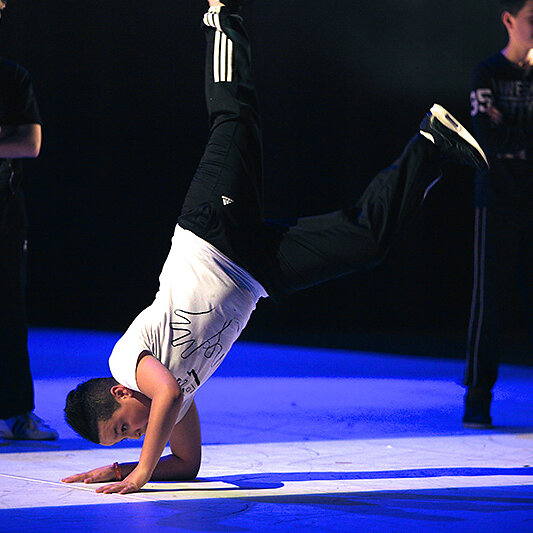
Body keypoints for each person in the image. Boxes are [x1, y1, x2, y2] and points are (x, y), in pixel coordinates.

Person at [62, 0, 488, 494]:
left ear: (120, 393)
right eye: (124, 440)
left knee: (235, 121)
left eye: (122, 428)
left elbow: (168, 394)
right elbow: (187, 464)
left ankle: (220, 17)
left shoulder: (126, 363)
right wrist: (122, 469)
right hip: (254, 272)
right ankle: (431, 144)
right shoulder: (171, 398)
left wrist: (139, 468)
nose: (134, 436)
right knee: (367, 241)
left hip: (212, 233)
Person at [464, 0, 533, 428]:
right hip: (497, 200)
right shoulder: (487, 72)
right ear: (509, 20)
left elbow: (500, 132)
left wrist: (508, 127)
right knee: (488, 302)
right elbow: (486, 138)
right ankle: (477, 399)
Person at [0, 0, 58, 440]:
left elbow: (30, 143)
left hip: (3, 208)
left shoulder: (11, 76)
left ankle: (17, 412)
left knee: (8, 308)